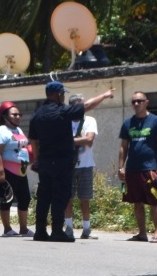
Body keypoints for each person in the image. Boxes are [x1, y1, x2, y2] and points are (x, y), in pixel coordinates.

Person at [27, 81, 113, 242]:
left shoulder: (37, 114)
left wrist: (37, 160)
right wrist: (104, 95)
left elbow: (33, 140)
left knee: (44, 196)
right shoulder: (61, 111)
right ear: (58, 94)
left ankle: (40, 231)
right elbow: (85, 106)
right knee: (60, 195)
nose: (64, 96)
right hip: (61, 161)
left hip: (44, 162)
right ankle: (57, 231)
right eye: (63, 94)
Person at [117, 90, 157, 243]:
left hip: (150, 168)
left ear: (146, 102)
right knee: (137, 202)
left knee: (153, 201)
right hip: (132, 168)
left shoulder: (156, 121)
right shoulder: (128, 123)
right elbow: (123, 147)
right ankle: (142, 233)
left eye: (139, 101)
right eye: (133, 102)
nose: (136, 104)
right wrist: (121, 167)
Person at [0, 101, 32, 237]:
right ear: (4, 116)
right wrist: (0, 172)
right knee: (7, 199)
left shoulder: (18, 130)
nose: (18, 116)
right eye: (14, 114)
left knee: (25, 199)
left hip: (21, 171)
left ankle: (23, 229)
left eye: (19, 114)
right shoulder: (0, 131)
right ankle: (7, 229)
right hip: (6, 171)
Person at [63, 95, 100, 239]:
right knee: (68, 199)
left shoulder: (89, 120)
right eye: (78, 106)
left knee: (85, 199)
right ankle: (69, 228)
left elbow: (89, 140)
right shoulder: (65, 121)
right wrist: (78, 141)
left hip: (86, 165)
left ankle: (86, 229)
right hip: (68, 166)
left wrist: (69, 141)